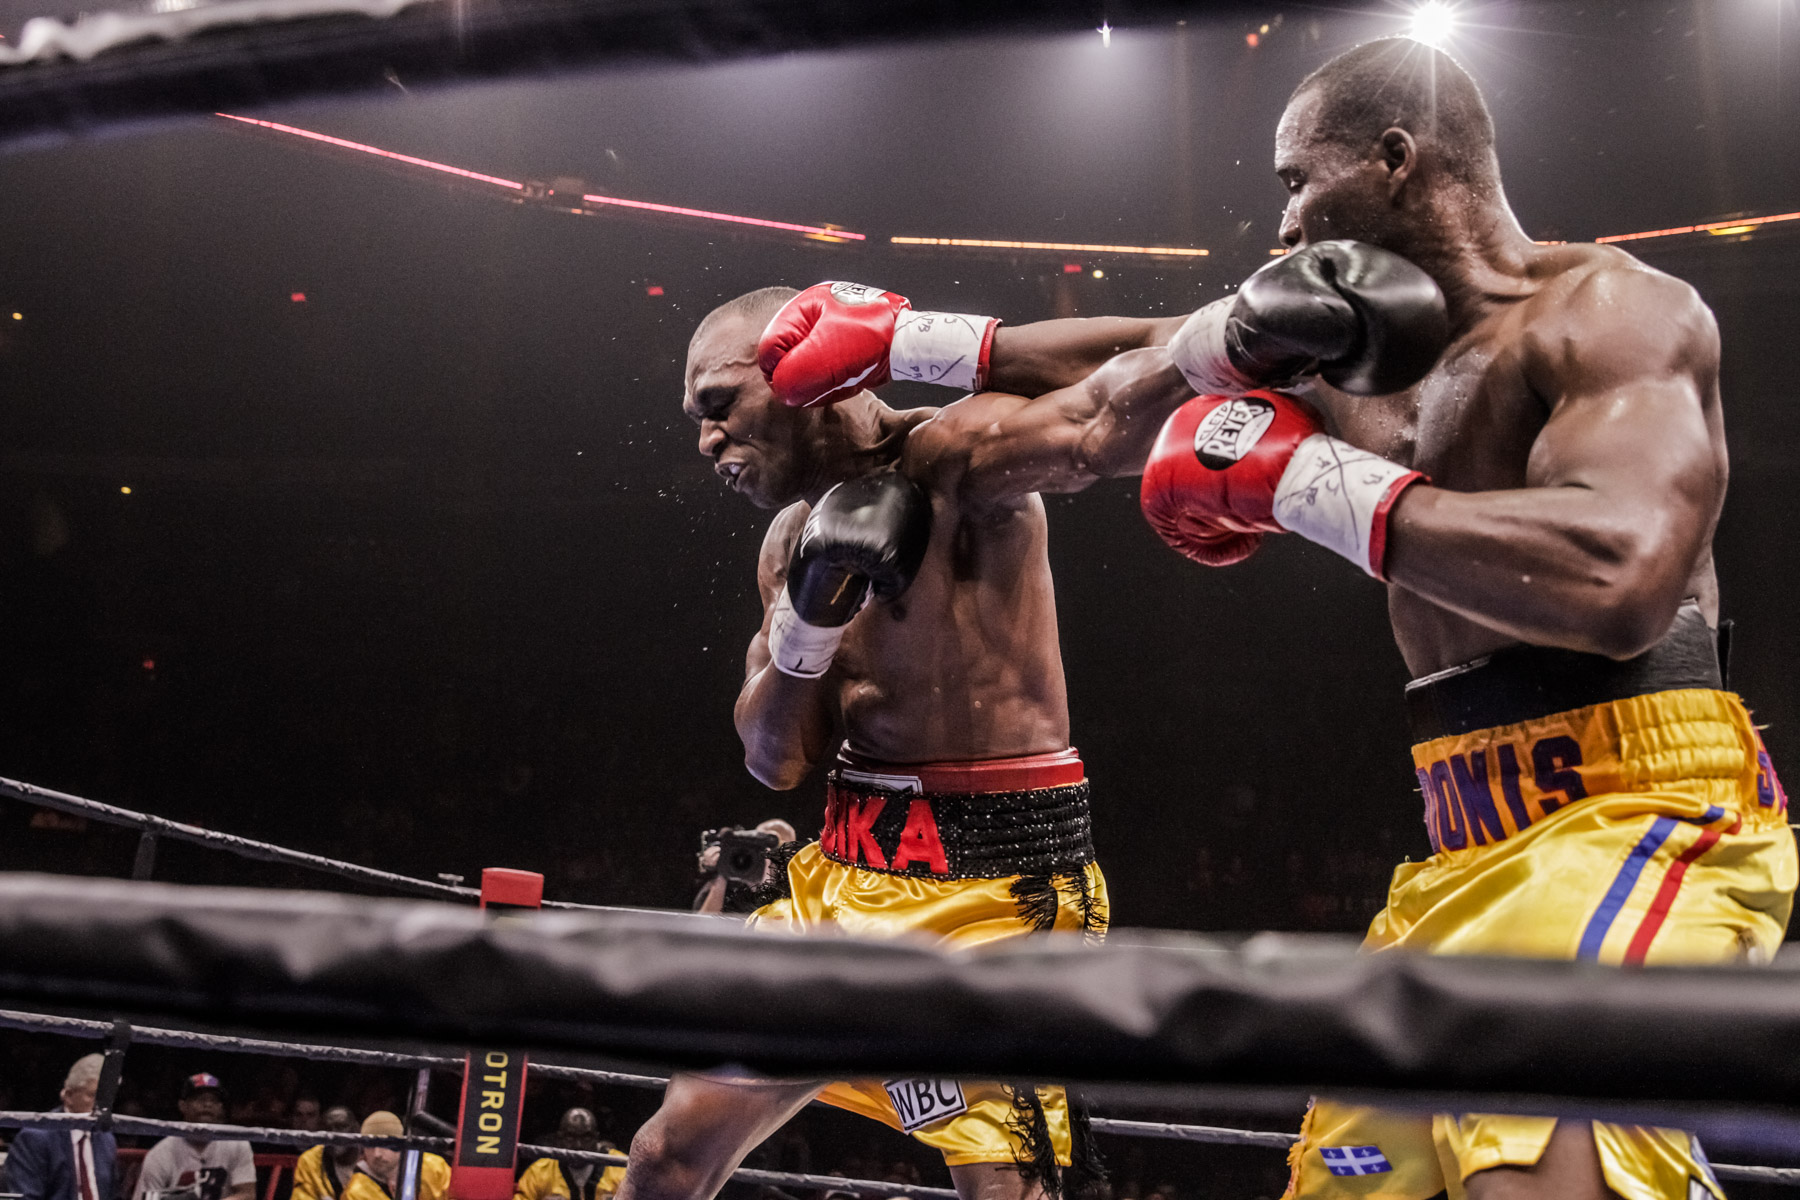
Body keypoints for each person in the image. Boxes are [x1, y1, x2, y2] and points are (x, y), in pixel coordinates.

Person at [815, 35, 1795, 1200]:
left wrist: (1312, 486)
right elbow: (1115, 387)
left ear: (1394, 159)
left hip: (1641, 808)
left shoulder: (1611, 312)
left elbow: (1620, 581)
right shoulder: (1335, 351)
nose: (1281, 224)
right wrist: (902, 346)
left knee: (1533, 1148)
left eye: (1296, 180)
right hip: (1463, 840)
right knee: (1350, 1179)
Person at [618, 280, 1213, 1200]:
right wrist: (807, 621)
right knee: (666, 1156)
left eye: (720, 403)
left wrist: (920, 343)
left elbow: (1104, 419)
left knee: (1009, 1192)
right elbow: (774, 759)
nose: (706, 441)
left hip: (992, 895)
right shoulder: (788, 541)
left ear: (803, 374)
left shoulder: (954, 461)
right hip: (839, 876)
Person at [0, 1054, 117, 1200]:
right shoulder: (36, 1137)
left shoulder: (106, 1139)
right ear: (68, 1095)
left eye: (106, 1098)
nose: (100, 1106)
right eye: (92, 1095)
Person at [134, 1074, 254, 1200]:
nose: (207, 1104)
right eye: (199, 1099)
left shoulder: (237, 1144)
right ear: (182, 1105)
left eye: (213, 1100)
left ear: (220, 1107)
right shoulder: (160, 1154)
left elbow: (247, 1195)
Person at [513, 1108, 625, 1200]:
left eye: (586, 1137)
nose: (578, 1145)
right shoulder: (539, 1172)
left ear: (596, 1138)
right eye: (570, 1137)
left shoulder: (620, 1168)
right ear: (559, 1138)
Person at [693, 818, 798, 913]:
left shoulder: (795, 888)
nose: (769, 855)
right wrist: (723, 869)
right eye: (763, 846)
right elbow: (703, 924)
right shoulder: (731, 876)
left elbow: (779, 925)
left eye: (777, 849)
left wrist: (764, 885)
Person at [340, 1113, 448, 1200]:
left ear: (399, 1143)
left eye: (384, 1144)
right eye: (370, 1146)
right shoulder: (354, 1194)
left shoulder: (435, 1167)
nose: (377, 1154)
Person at [290, 1108, 359, 1200]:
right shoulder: (310, 1160)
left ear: (356, 1129)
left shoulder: (372, 1157)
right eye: (328, 1129)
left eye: (341, 1127)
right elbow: (301, 1196)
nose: (333, 1134)